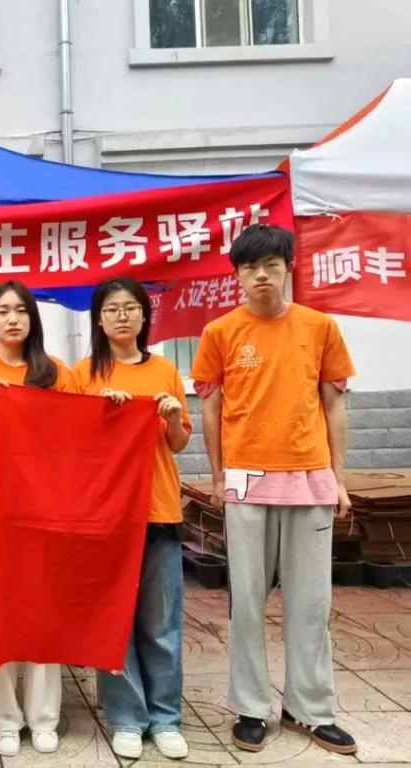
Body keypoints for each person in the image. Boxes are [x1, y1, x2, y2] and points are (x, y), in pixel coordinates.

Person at [190, 224, 357, 755]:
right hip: (246, 481)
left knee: (311, 604)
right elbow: (211, 410)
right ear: (237, 275)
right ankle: (250, 707)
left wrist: (339, 478)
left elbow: (334, 404)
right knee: (247, 602)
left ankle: (311, 709)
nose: (260, 275)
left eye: (270, 265)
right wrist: (218, 476)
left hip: (309, 479)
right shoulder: (219, 332)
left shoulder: (320, 326)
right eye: (249, 267)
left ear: (288, 268)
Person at [67, 278, 191, 760]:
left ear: (144, 315)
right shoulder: (83, 374)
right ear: (98, 320)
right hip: (105, 517)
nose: (122, 316)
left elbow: (177, 443)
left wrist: (173, 416)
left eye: (130, 308)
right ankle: (126, 718)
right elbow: (70, 445)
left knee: (162, 623)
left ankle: (166, 718)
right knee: (114, 622)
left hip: (158, 509)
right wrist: (100, 415)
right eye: (112, 309)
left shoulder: (164, 370)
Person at [0, 280, 72, 757]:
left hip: (43, 509)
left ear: (32, 318)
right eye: (3, 311)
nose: (13, 319)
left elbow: (76, 437)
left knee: (42, 613)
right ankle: (2, 718)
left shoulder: (55, 372)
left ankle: (44, 717)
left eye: (21, 310)